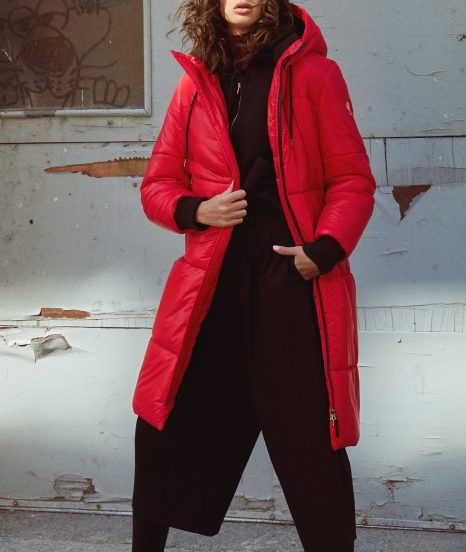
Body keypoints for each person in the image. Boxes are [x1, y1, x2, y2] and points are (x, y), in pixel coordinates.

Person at [131, 0, 376, 550]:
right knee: (165, 425)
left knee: (311, 441)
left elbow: (353, 181)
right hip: (212, 284)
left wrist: (323, 250)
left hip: (289, 281)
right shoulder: (196, 82)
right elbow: (157, 184)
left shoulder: (314, 74)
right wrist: (197, 210)